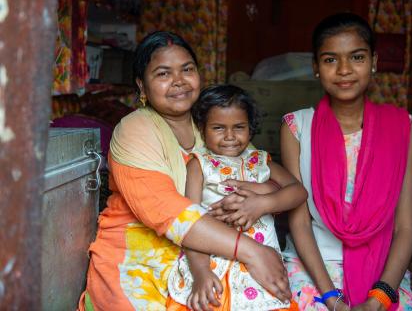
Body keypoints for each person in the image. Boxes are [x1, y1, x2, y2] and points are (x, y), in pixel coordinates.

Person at [77, 32, 292, 311]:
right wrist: (252, 252)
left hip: (211, 252)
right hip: (137, 257)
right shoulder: (134, 130)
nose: (179, 81)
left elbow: (264, 176)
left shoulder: (212, 125)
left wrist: (262, 196)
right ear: (142, 86)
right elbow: (167, 210)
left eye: (187, 69)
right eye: (163, 73)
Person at [280, 13, 412, 311]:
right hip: (313, 266)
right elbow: (300, 222)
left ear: (373, 61)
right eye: (331, 60)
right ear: (316, 68)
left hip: (383, 271)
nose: (344, 70)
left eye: (356, 57)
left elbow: (406, 227)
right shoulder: (297, 127)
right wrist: (331, 299)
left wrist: (379, 298)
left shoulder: (402, 128)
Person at [166, 84, 307, 310]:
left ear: (250, 129)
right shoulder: (199, 165)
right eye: (219, 128)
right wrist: (201, 272)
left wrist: (263, 204)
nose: (230, 136)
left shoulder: (262, 162)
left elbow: (299, 192)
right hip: (213, 262)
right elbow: (189, 224)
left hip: (262, 268)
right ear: (202, 129)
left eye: (239, 127)